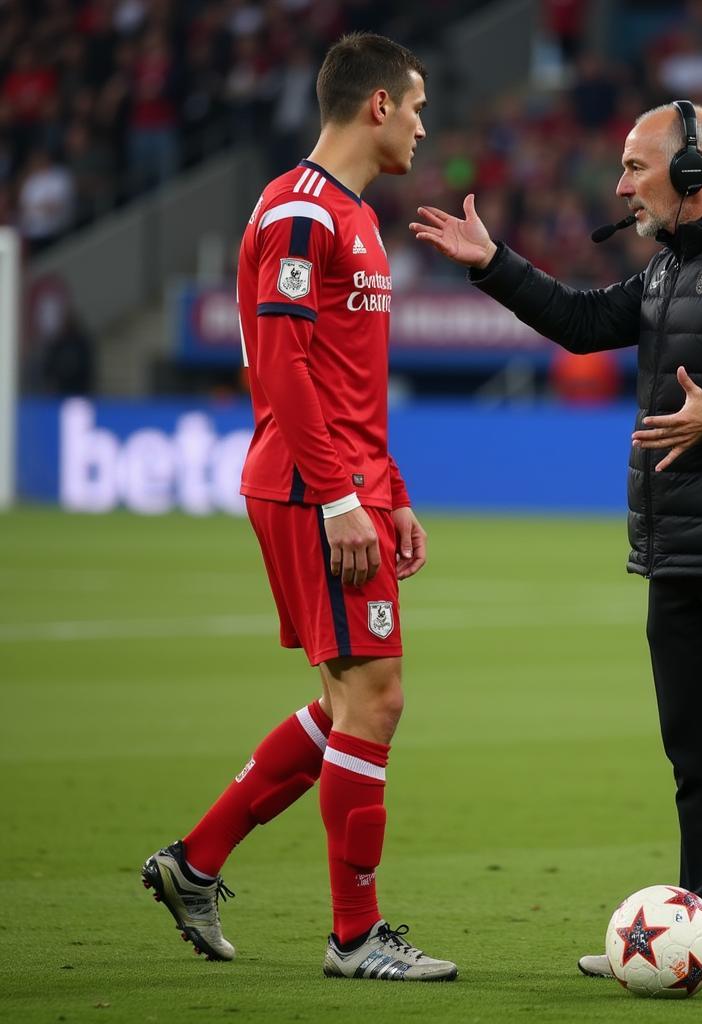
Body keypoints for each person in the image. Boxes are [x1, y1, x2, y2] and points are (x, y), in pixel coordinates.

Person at [411, 101, 702, 991]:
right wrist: (493, 264)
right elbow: (580, 323)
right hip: (683, 546)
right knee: (697, 756)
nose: (618, 185)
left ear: (694, 173)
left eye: (635, 167)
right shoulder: (672, 267)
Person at [142, 32, 458, 983]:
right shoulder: (301, 211)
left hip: (344, 483)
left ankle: (194, 864)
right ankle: (355, 938)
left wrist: (389, 493)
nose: (422, 123)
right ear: (375, 106)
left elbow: (353, 383)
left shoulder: (356, 219)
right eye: (416, 105)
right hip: (309, 486)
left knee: (345, 703)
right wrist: (338, 500)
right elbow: (282, 368)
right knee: (378, 697)